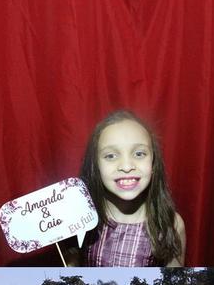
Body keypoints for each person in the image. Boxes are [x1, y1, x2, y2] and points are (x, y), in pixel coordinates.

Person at [74, 110, 185, 267]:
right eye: (110, 156)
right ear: (95, 166)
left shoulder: (171, 224)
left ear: (153, 163)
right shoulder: (80, 219)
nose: (126, 166)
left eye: (139, 154)